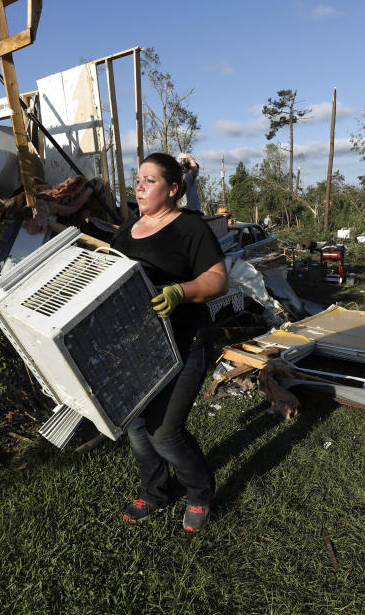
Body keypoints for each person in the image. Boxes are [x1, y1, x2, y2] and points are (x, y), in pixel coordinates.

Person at [111, 152, 227, 533]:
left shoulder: (189, 228)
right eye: (138, 179)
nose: (139, 187)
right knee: (137, 425)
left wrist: (181, 291)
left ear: (173, 188)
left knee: (165, 432)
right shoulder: (127, 231)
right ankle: (157, 492)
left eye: (149, 181)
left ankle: (199, 492)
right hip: (141, 346)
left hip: (186, 342)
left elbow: (217, 279)